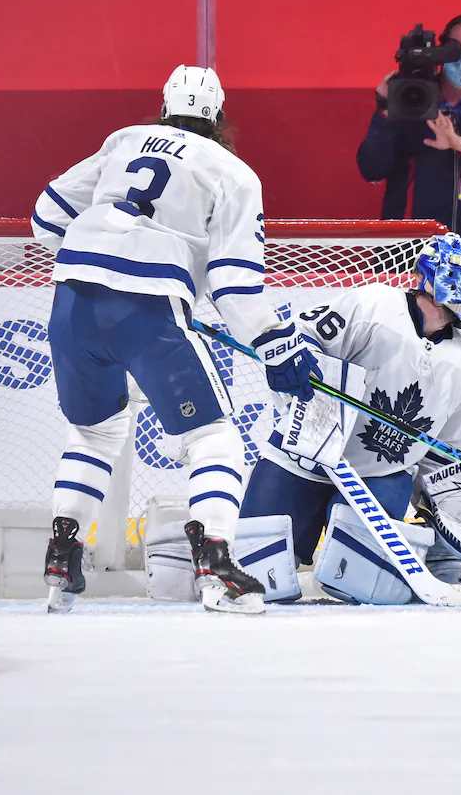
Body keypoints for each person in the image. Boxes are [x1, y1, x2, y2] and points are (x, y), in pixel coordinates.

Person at [30, 64, 320, 615]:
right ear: (219, 116)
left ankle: (60, 560)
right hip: (147, 309)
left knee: (94, 433)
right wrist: (276, 341)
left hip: (72, 300)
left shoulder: (123, 141)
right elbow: (235, 284)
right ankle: (217, 569)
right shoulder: (234, 172)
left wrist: (109, 262)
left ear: (163, 105)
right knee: (215, 438)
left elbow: (46, 217)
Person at [141, 234, 461, 606]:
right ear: (442, 280)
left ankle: (436, 559)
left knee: (362, 583)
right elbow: (303, 334)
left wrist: (440, 508)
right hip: (301, 459)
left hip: (380, 477)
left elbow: (446, 453)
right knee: (260, 582)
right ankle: (184, 548)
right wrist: (297, 360)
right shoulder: (373, 305)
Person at [357, 15, 461, 270]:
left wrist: (460, 144)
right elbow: (371, 168)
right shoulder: (409, 100)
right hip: (404, 254)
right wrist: (387, 112)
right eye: (456, 49)